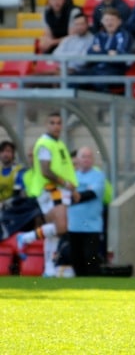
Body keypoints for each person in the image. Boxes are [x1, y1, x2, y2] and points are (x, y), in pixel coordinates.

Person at [17, 112, 78, 277]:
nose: (56, 126)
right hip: (52, 188)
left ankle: (49, 268)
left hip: (59, 189)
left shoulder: (58, 144)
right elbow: (46, 170)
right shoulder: (45, 143)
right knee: (61, 227)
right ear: (46, 124)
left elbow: (65, 169)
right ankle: (26, 238)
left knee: (55, 234)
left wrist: (72, 189)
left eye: (59, 123)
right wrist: (66, 184)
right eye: (52, 123)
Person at [66, 146, 106, 276]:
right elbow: (65, 197)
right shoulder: (71, 177)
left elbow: (91, 194)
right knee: (77, 261)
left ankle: (94, 287)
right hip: (74, 225)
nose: (86, 159)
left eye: (89, 157)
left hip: (92, 226)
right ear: (77, 159)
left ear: (93, 160)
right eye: (83, 156)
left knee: (91, 259)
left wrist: (76, 194)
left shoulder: (98, 176)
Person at [78, 8, 133, 93]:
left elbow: (120, 58)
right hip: (96, 69)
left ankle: (105, 106)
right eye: (107, 20)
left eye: (112, 20)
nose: (109, 23)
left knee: (99, 81)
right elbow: (90, 53)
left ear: (119, 22)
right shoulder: (98, 36)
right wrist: (108, 53)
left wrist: (100, 52)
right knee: (72, 79)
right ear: (102, 22)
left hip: (115, 71)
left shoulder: (125, 35)